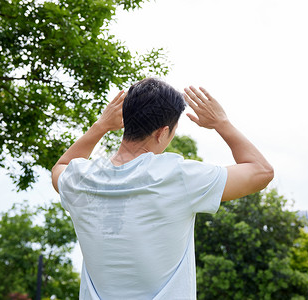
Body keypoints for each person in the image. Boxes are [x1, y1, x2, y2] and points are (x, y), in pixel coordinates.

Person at [51, 78, 273, 299]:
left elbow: (59, 168)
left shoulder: (81, 179)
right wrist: (221, 123)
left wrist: (101, 125)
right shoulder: (178, 176)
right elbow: (262, 171)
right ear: (161, 132)